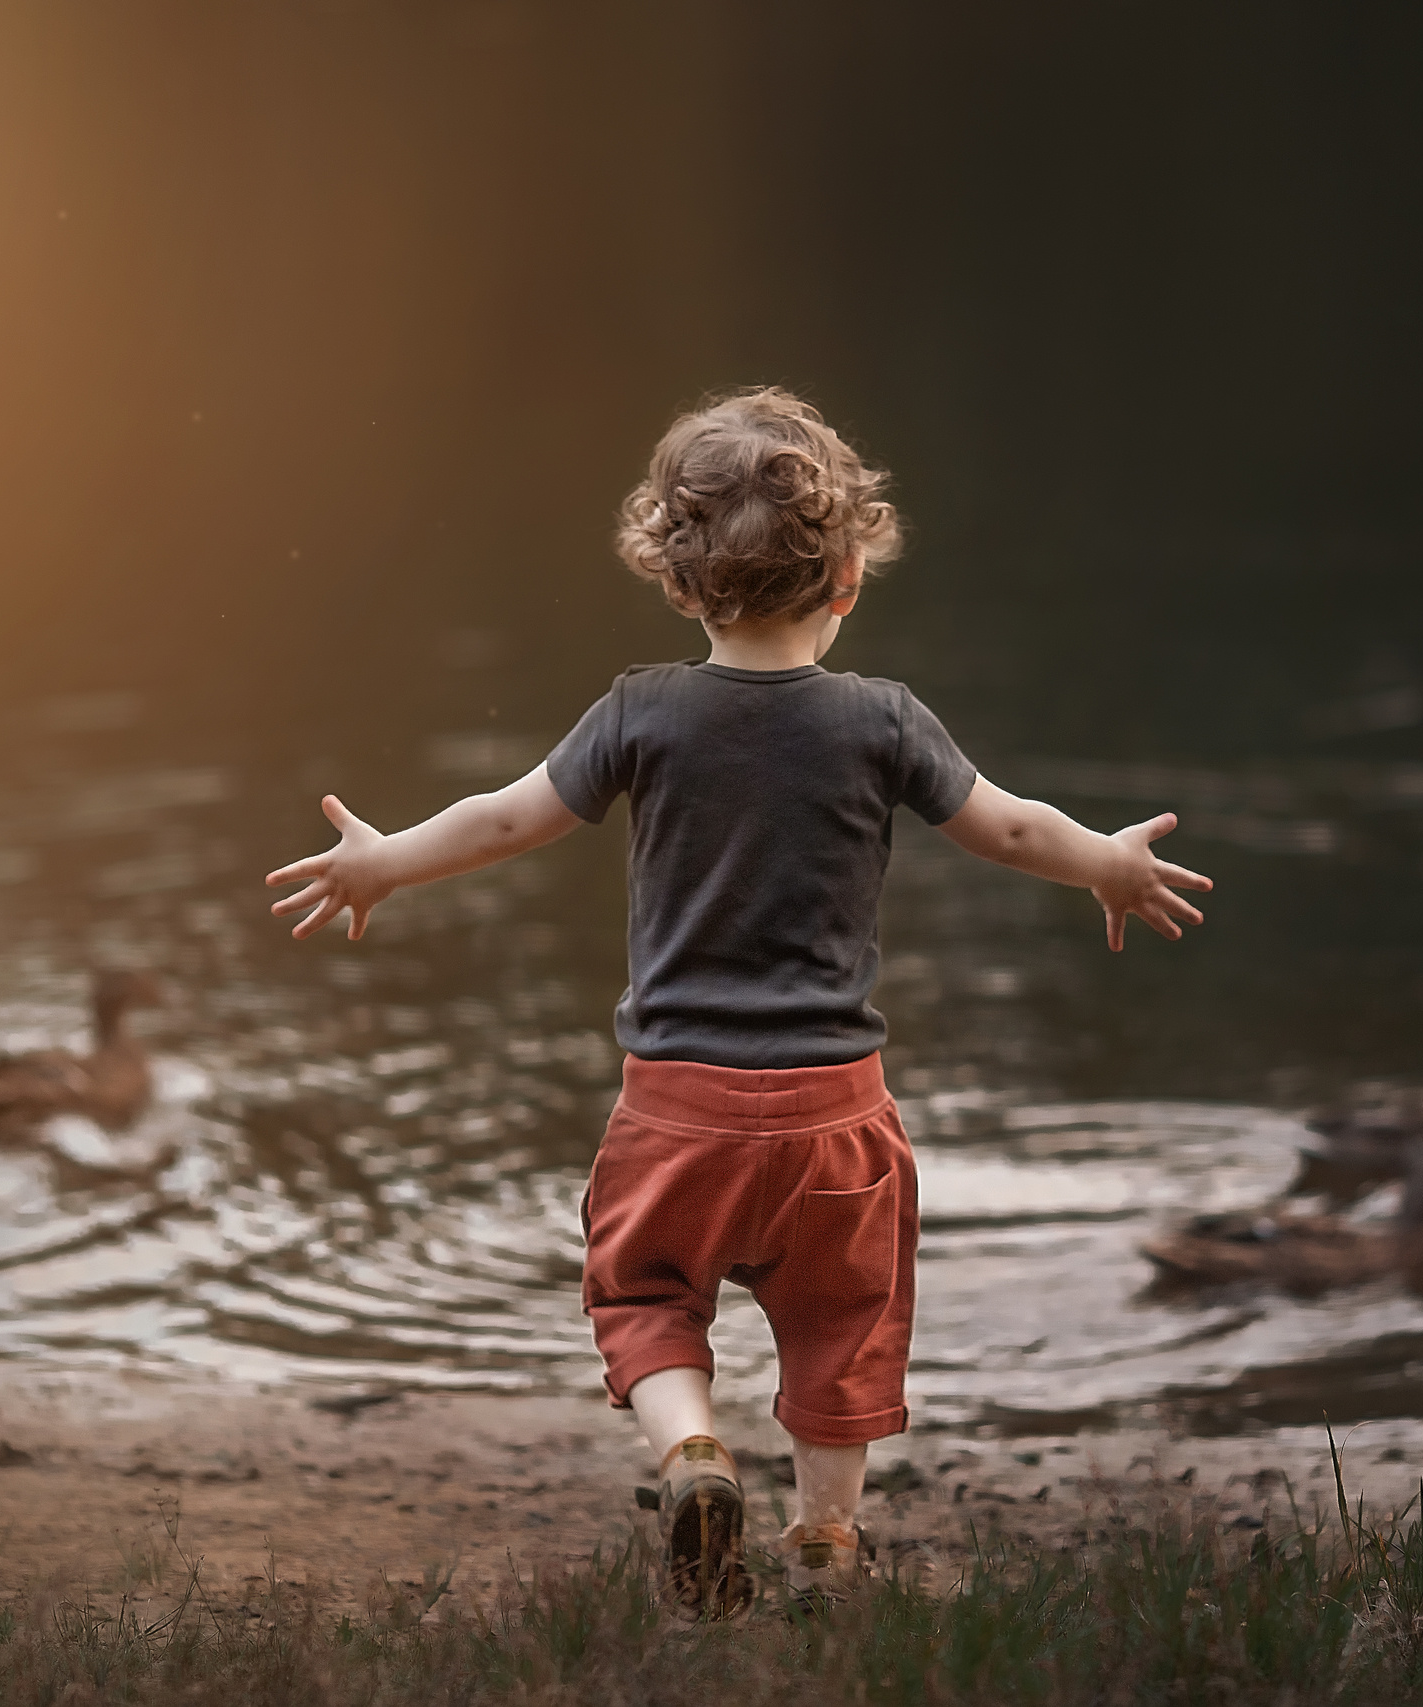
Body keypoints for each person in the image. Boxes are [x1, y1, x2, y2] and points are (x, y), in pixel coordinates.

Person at [265, 387, 1210, 1616]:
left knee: (643, 1295)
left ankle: (694, 1456)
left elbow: (506, 817)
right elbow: (1011, 828)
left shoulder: (640, 713)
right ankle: (825, 1540)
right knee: (845, 1329)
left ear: (676, 579)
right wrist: (1109, 864)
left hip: (678, 1112)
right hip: (836, 1118)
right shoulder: (882, 722)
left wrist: (384, 862)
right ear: (850, 577)